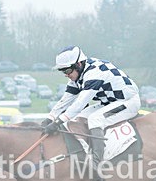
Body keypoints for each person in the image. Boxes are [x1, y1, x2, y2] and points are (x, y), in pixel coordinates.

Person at [42, 45, 140, 173]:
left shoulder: (94, 73)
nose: (66, 75)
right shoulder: (79, 74)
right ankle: (84, 153)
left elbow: (80, 103)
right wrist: (50, 118)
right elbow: (66, 100)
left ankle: (96, 162)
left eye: (67, 71)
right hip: (109, 103)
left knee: (95, 119)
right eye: (63, 71)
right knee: (78, 118)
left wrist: (57, 122)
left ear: (78, 64)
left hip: (128, 103)